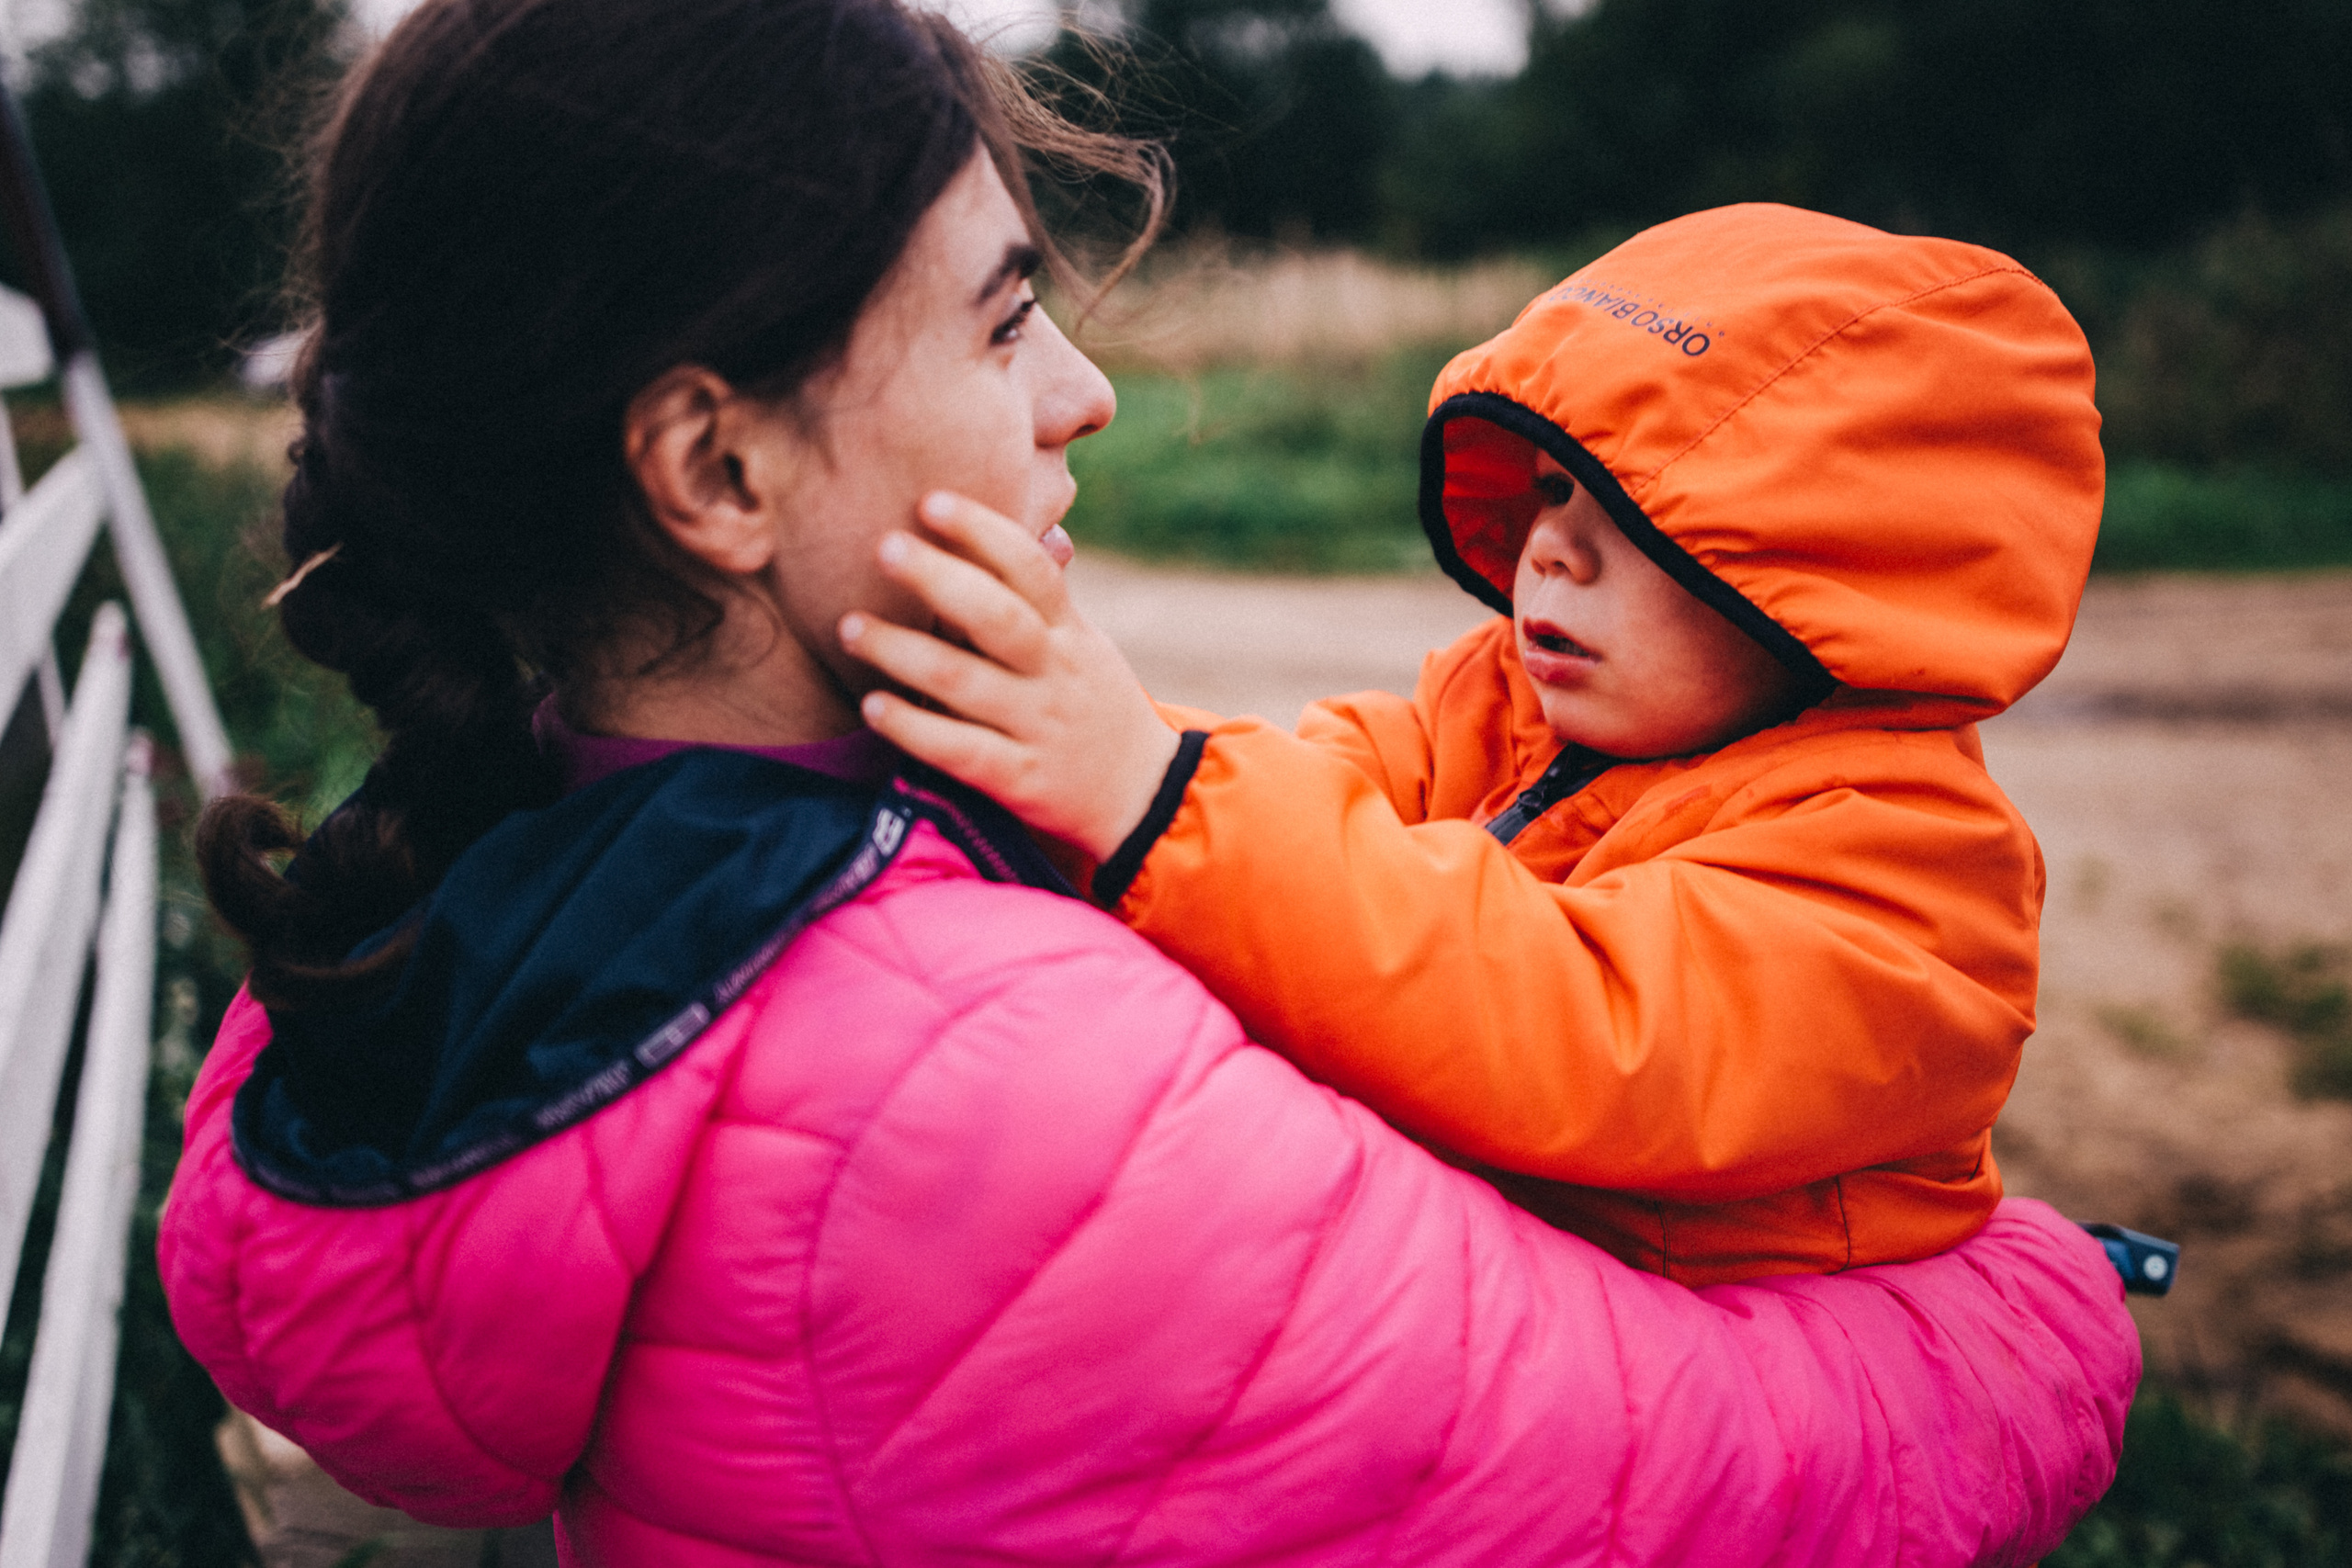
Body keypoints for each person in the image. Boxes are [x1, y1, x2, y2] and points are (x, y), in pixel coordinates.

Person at [160, 2, 2137, 1561]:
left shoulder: (484, 879)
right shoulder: (993, 1092)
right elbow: (1689, 1484)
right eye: (1006, 314)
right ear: (719, 473)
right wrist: (2050, 1305)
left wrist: (1166, 797)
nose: (1081, 391)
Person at [844, 204, 2102, 1288]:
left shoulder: (1915, 875)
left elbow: (1572, 1026)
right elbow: (1318, 782)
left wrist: (1151, 793)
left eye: (1638, 513)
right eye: (1553, 486)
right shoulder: (1506, 701)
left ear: (1833, 571)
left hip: (1731, 1355)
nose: (1553, 547)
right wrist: (1088, 750)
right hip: (1531, 1292)